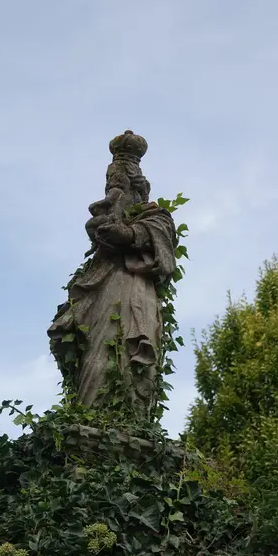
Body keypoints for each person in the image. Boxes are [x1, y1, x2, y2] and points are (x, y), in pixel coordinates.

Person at [47, 131, 176, 417]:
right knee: (96, 352)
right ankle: (92, 416)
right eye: (110, 185)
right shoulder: (108, 213)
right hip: (104, 287)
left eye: (120, 184)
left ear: (139, 188)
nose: (113, 191)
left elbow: (164, 253)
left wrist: (129, 234)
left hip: (134, 289)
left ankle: (128, 417)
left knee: (128, 352)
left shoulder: (156, 217)